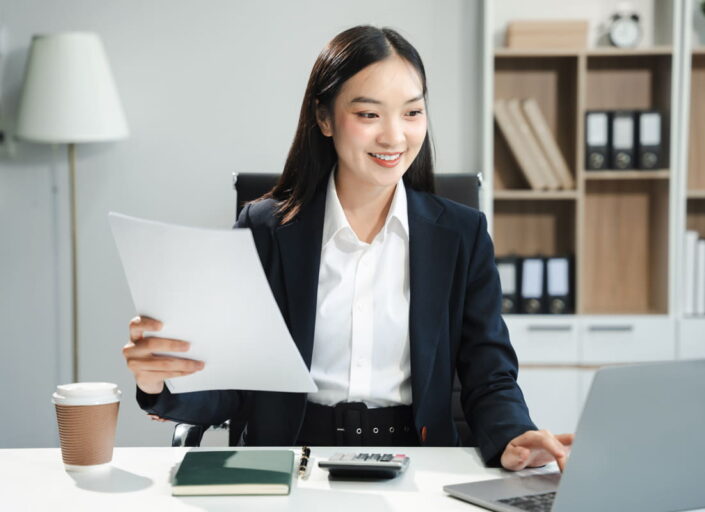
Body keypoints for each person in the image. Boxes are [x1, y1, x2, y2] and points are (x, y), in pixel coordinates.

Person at [123, 25, 573, 471]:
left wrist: (514, 434)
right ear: (324, 118)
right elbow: (233, 385)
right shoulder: (265, 230)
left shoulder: (461, 234)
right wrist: (159, 379)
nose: (395, 137)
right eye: (369, 114)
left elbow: (488, 375)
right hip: (290, 461)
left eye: (412, 113)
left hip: (419, 462)